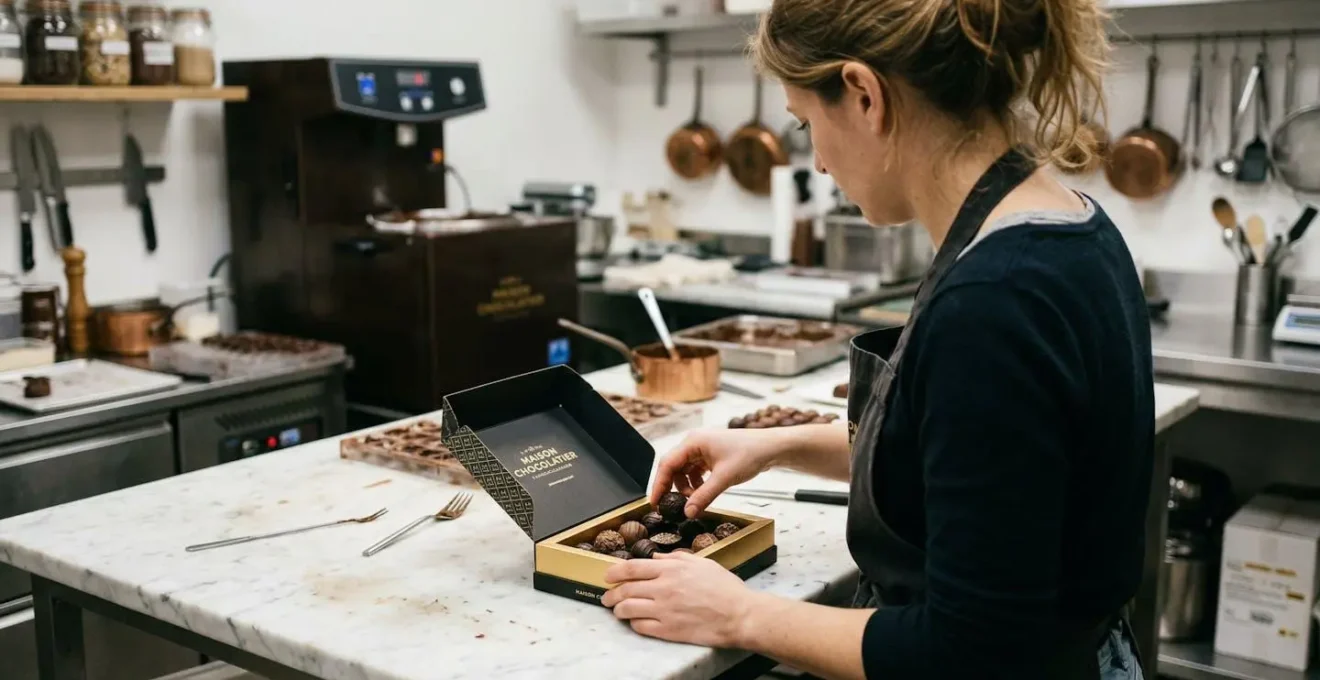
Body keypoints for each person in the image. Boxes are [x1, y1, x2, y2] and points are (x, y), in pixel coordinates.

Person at [601, 0, 1153, 678]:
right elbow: (985, 471)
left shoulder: (993, 301)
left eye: (806, 125)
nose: (820, 165)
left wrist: (738, 615)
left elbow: (975, 653)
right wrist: (777, 446)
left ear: (864, 95)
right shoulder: (1071, 228)